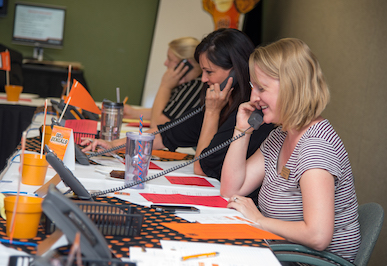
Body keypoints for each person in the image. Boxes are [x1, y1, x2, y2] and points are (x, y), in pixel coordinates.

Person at [220, 38, 361, 262]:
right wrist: (241, 130)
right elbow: (231, 190)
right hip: (283, 255)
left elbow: (318, 236)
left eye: (261, 88)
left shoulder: (316, 147)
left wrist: (259, 220)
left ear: (291, 87)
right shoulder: (281, 136)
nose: (253, 97)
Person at [82, 28, 274, 189]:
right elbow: (167, 134)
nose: (204, 79)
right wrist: (114, 145)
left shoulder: (250, 113)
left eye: (209, 72)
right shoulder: (223, 101)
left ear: (236, 70)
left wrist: (212, 112)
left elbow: (201, 167)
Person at [124, 37, 203, 128]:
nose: (165, 63)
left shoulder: (194, 87)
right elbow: (166, 112)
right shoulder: (186, 83)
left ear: (185, 64)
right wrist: (132, 112)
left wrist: (165, 86)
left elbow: (157, 125)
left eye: (169, 59)